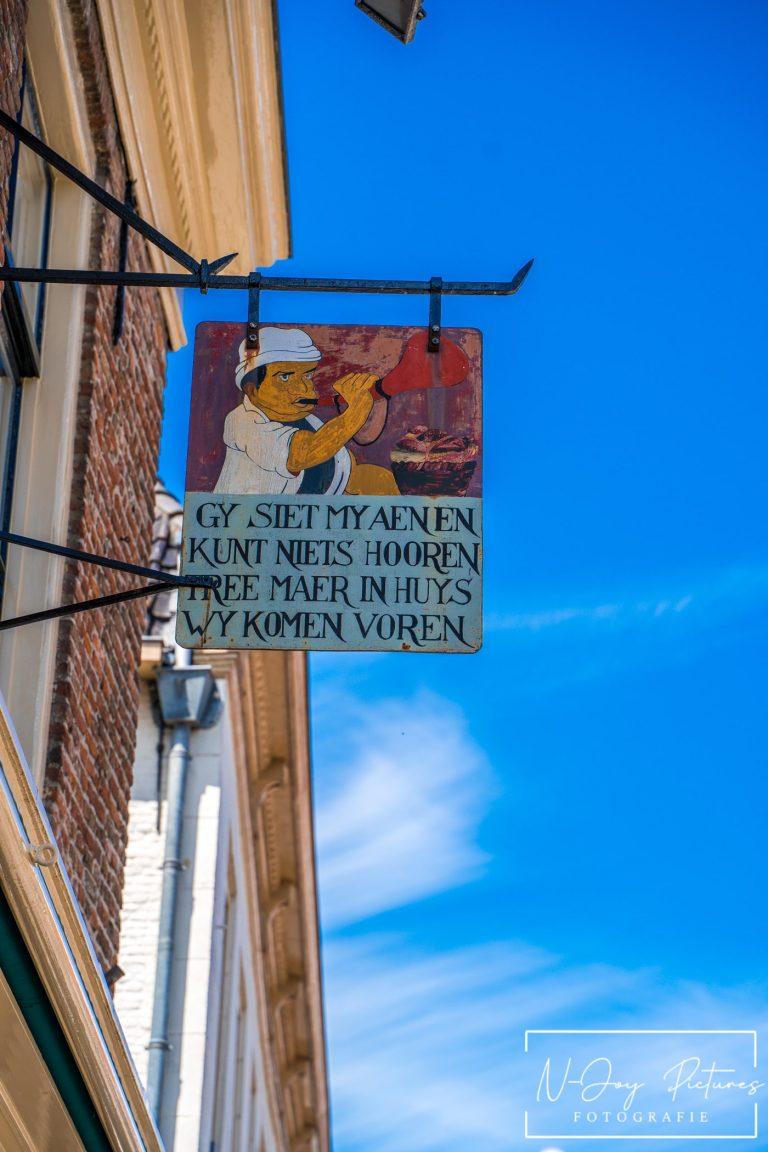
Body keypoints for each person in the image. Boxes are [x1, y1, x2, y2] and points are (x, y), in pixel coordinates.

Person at [214, 327, 398, 496]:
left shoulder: (310, 422)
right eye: (285, 377)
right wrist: (356, 411)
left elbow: (347, 471)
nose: (303, 388)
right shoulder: (241, 422)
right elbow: (303, 454)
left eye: (308, 375)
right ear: (252, 389)